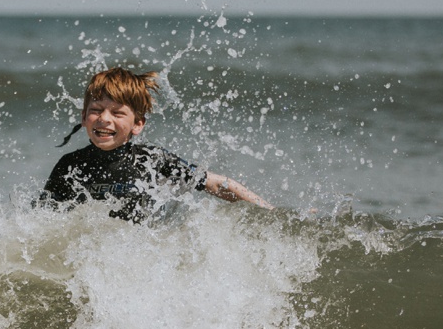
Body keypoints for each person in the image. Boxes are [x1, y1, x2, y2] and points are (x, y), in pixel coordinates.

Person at [38, 67, 273, 222]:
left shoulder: (152, 160)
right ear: (83, 117)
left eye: (118, 113)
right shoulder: (70, 165)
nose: (104, 119)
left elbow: (216, 183)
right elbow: (43, 218)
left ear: (137, 124)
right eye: (96, 111)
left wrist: (271, 214)